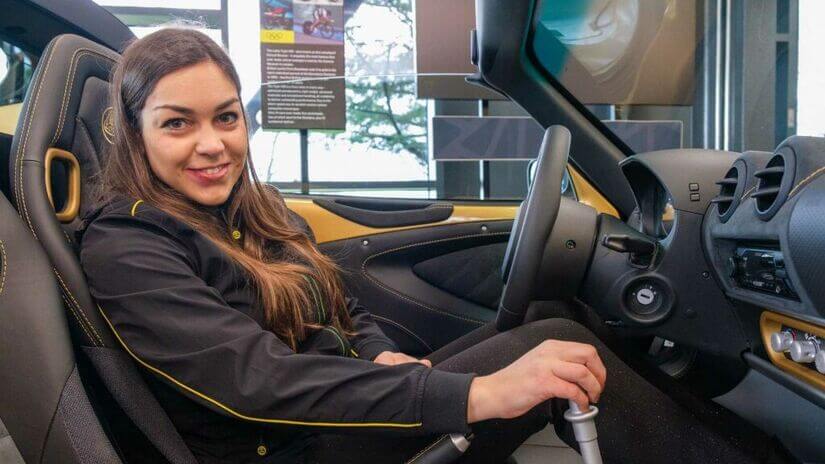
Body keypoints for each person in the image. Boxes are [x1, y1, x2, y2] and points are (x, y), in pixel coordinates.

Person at [79, 28, 795, 464]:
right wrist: (474, 393)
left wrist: (378, 353)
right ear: (136, 132)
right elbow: (254, 383)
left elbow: (339, 308)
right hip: (291, 446)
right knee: (542, 354)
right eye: (178, 124)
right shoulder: (129, 244)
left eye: (226, 118)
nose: (212, 145)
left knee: (558, 332)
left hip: (330, 417)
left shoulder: (249, 210)